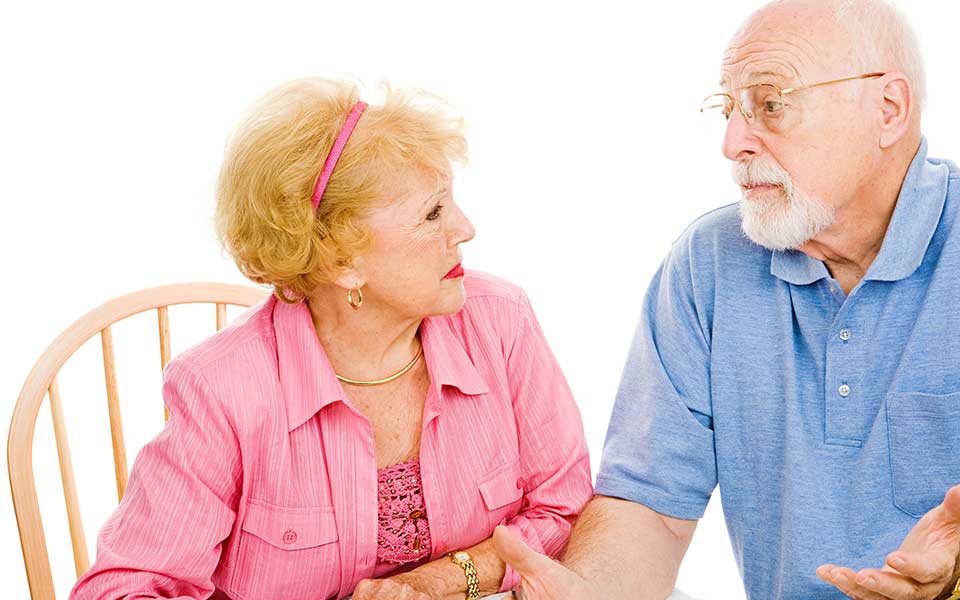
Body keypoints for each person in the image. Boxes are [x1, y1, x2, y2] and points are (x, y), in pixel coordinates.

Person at [492, 1, 960, 598]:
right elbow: (649, 508)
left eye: (770, 104)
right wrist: (595, 589)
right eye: (729, 109)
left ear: (888, 109)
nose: (732, 144)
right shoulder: (707, 263)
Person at [70, 77, 592, 600]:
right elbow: (123, 590)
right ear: (342, 260)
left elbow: (566, 506)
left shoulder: (500, 321)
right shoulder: (222, 388)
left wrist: (436, 581)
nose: (465, 227)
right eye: (432, 213)